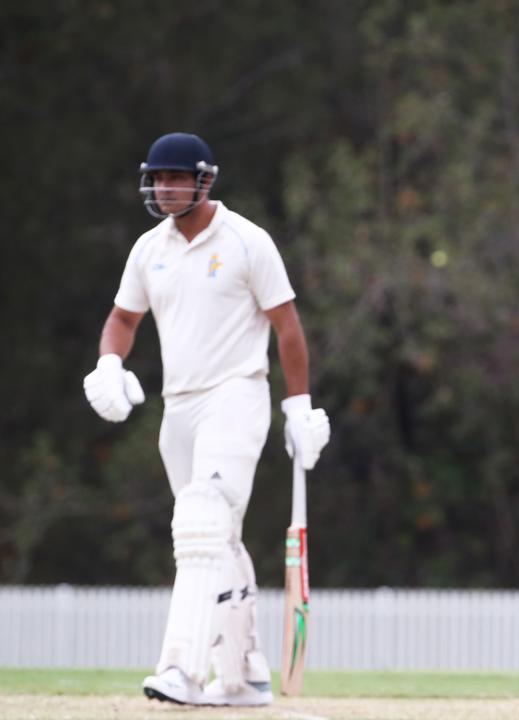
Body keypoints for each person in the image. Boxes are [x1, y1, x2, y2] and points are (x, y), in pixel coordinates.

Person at [82, 132, 331, 706]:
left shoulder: (247, 241)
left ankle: (182, 670)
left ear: (205, 180)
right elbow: (122, 317)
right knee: (216, 540)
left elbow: (287, 327)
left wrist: (298, 404)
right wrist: (109, 364)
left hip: (236, 397)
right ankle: (245, 675)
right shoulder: (150, 248)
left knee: (200, 525)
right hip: (180, 409)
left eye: (175, 178)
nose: (164, 188)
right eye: (157, 178)